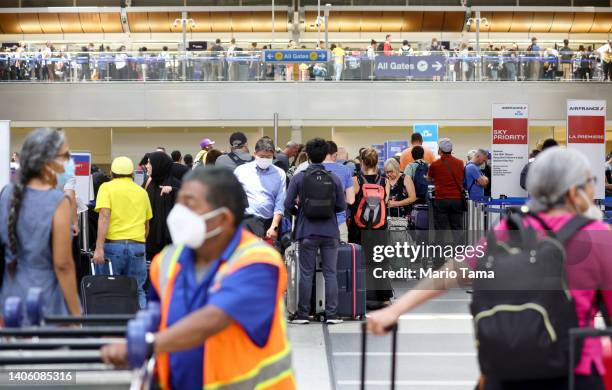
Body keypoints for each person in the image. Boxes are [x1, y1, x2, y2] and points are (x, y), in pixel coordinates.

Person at [367, 147, 612, 390]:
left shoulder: (511, 228)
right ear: (573, 190)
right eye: (590, 181)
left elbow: (458, 268)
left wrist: (396, 310)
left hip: (504, 369)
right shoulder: (597, 236)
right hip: (572, 372)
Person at [100, 167, 296, 390]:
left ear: (222, 218)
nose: (179, 213)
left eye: (190, 204)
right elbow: (159, 310)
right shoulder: (167, 260)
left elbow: (215, 318)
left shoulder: (258, 262)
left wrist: (149, 344)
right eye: (180, 202)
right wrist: (146, 323)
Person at [0, 128, 80, 317]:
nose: (69, 162)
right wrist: (76, 313)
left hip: (9, 297)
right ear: (46, 163)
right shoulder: (58, 202)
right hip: (44, 299)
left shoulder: (7, 194)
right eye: (65, 156)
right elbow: (63, 264)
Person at [285, 138, 346, 324]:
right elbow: (341, 206)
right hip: (330, 232)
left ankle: (303, 315)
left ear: (308, 156)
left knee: (306, 273)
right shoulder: (334, 178)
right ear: (326, 154)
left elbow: (287, 205)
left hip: (307, 232)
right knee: (330, 273)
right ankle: (332, 315)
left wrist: (301, 212)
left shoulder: (299, 177)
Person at [93, 156, 152, 309]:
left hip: (113, 246)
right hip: (138, 246)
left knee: (110, 290)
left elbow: (104, 216)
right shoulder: (141, 192)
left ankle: (112, 329)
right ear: (132, 173)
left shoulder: (106, 188)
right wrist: (139, 242)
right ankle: (142, 327)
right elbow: (147, 225)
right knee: (137, 289)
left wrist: (99, 248)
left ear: (112, 172)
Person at [234, 138, 286, 240]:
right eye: (261, 156)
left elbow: (280, 202)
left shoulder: (279, 173)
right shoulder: (241, 171)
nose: (265, 159)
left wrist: (274, 227)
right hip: (247, 220)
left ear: (273, 155)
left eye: (268, 157)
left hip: (269, 222)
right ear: (255, 154)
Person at [144, 152, 181, 265]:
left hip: (168, 242)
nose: (146, 165)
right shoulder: (149, 183)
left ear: (158, 165)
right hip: (151, 239)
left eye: (150, 163)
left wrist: (174, 191)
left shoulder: (175, 184)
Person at [428, 138, 465, 233]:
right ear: (451, 150)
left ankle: (441, 248)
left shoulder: (435, 164)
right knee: (457, 228)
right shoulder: (460, 163)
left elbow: (430, 178)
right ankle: (459, 248)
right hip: (457, 199)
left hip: (441, 199)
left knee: (441, 229)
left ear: (440, 150)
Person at [322, 141, 355, 242]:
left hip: (317, 224)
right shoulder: (345, 170)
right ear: (335, 154)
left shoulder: (311, 169)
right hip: (339, 221)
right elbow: (351, 200)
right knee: (341, 255)